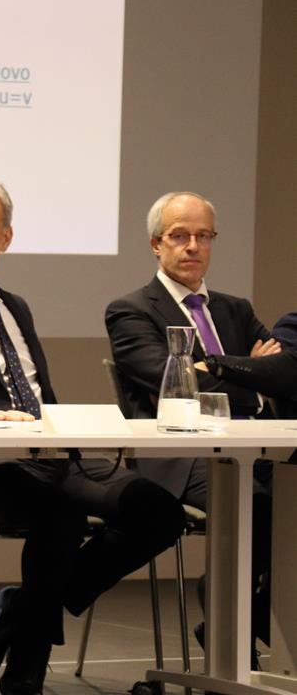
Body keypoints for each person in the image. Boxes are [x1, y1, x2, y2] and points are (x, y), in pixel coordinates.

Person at [0, 176, 185, 695]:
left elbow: (40, 392)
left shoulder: (14, 305)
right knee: (59, 514)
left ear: (6, 237)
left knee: (160, 513)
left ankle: (18, 611)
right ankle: (26, 672)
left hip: (55, 451)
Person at [105, 190, 278, 656]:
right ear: (155, 244)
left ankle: (242, 612)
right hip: (181, 455)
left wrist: (214, 368)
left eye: (204, 236)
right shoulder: (132, 310)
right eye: (180, 236)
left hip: (252, 444)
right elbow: (171, 384)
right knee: (258, 504)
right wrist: (247, 374)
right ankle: (231, 614)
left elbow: (280, 371)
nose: (193, 246)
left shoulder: (236, 309)